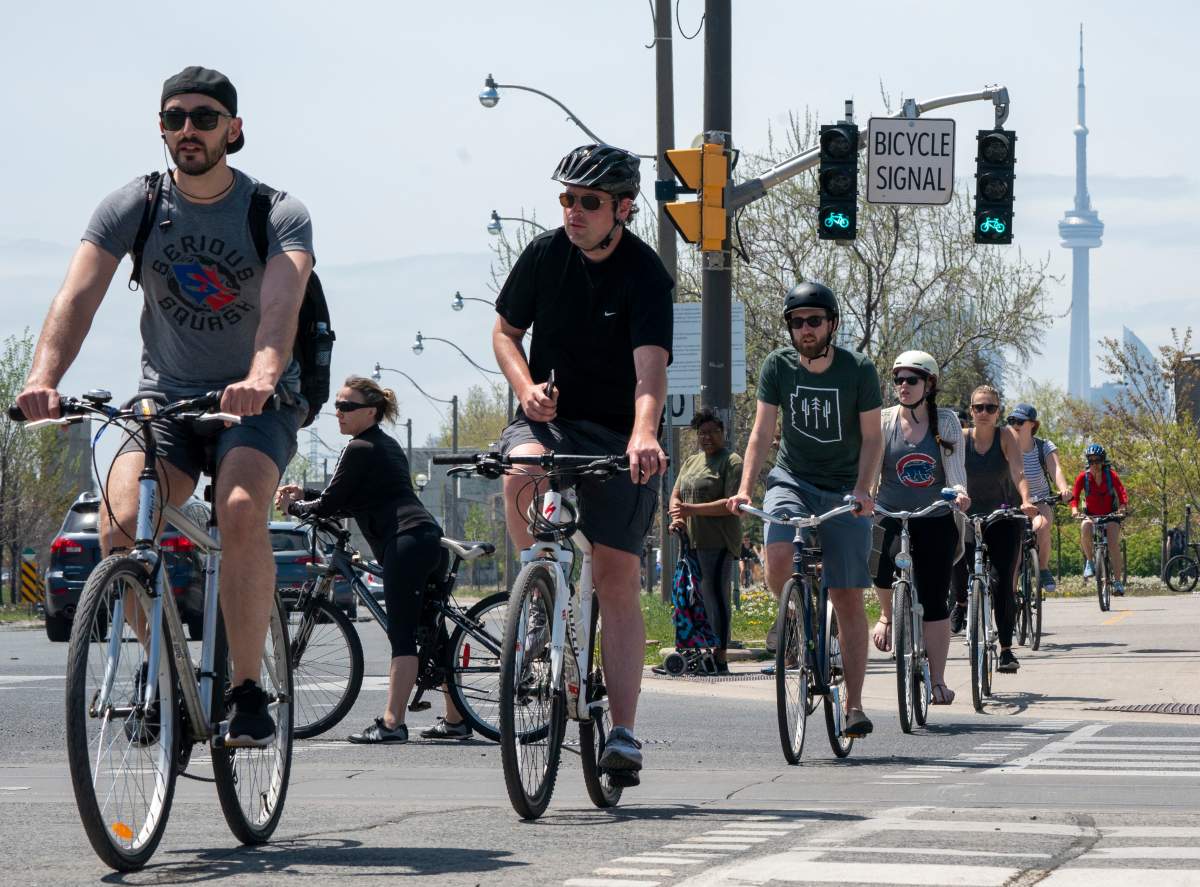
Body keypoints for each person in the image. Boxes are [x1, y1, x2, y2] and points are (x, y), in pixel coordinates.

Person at [16, 66, 313, 747]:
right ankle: (164, 673)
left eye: (205, 118)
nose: (188, 129)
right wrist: (42, 377)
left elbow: (280, 309)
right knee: (120, 522)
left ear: (233, 131)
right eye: (175, 116)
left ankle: (245, 690)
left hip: (256, 401)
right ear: (161, 127)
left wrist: (263, 375)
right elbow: (78, 296)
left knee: (240, 509)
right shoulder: (135, 205)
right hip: (167, 400)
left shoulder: (276, 212)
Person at [491, 144, 673, 782]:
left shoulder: (645, 272)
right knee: (520, 471)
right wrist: (523, 389)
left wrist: (644, 434)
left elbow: (650, 366)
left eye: (588, 202)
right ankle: (539, 590)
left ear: (623, 208)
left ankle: (622, 732)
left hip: (621, 434)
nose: (573, 211)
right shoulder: (544, 254)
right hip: (551, 420)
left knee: (619, 580)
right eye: (566, 198)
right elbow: (505, 332)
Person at [727, 282, 883, 737]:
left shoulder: (859, 370)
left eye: (814, 320)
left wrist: (862, 488)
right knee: (777, 556)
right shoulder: (778, 366)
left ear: (831, 324)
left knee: (847, 596)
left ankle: (853, 707)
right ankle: (794, 615)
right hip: (791, 478)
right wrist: (743, 488)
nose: (806, 329)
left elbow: (872, 438)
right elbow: (760, 433)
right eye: (797, 322)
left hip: (843, 489)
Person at [278, 377, 454, 743]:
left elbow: (330, 503)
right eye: (337, 406)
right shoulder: (382, 445)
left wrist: (295, 505)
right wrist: (307, 492)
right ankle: (456, 720)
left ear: (370, 412)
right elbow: (351, 495)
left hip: (404, 542)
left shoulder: (359, 447)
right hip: (427, 539)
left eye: (347, 407)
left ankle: (392, 724)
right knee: (433, 634)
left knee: (403, 636)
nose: (338, 413)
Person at [870, 352, 970, 705]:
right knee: (880, 572)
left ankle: (938, 680)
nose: (903, 386)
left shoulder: (946, 422)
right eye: (898, 379)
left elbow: (956, 469)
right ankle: (887, 613)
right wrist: (863, 498)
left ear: (929, 384)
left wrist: (959, 494)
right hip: (889, 511)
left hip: (934, 516)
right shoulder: (883, 421)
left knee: (934, 598)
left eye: (911, 379)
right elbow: (870, 468)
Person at [950, 385, 1035, 673]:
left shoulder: (1006, 436)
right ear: (971, 411)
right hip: (969, 514)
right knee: (956, 557)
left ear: (998, 411)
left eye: (990, 408)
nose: (983, 413)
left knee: (1001, 582)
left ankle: (1007, 650)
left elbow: (1018, 471)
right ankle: (961, 604)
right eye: (978, 407)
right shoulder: (961, 439)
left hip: (1003, 515)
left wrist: (1025, 500)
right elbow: (948, 471)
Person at [669, 407, 744, 674]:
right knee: (691, 599)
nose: (707, 438)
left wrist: (691, 510)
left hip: (719, 542)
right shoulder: (691, 462)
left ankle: (720, 655)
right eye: (702, 433)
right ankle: (697, 652)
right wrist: (677, 515)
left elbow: (730, 504)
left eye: (713, 432)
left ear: (723, 433)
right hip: (692, 542)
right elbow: (676, 493)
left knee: (714, 596)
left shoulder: (731, 461)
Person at [1006, 403, 1071, 591]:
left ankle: (1042, 568)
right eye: (1011, 421)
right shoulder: (1005, 445)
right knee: (1014, 553)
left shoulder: (1043, 446)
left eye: (1019, 421)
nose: (1014, 425)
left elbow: (1055, 469)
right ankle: (1009, 598)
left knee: (1042, 525)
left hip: (1040, 500)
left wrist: (1064, 488)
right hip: (1013, 503)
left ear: (1032, 424)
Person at [1070, 443, 1129, 595]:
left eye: (1097, 460)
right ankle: (1090, 562)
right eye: (1091, 461)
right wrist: (1074, 509)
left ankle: (1117, 582)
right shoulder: (1083, 477)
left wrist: (1122, 508)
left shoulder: (1111, 475)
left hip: (1110, 515)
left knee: (1112, 543)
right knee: (1085, 528)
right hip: (1091, 515)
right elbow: (1074, 496)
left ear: (1103, 461)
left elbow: (1122, 493)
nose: (1094, 464)